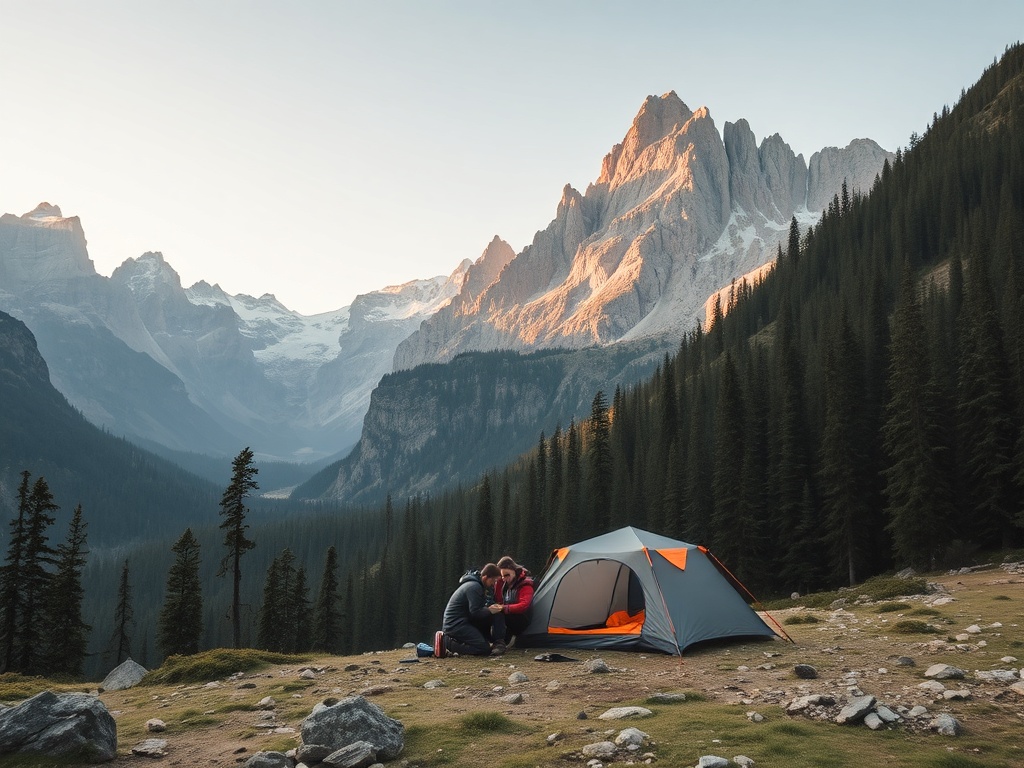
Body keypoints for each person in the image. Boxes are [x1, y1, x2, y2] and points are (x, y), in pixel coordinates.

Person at [434, 563, 501, 657]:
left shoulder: (476, 586)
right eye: (493, 580)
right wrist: (489, 610)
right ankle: (447, 643)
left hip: (462, 622)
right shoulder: (474, 587)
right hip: (455, 624)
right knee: (483, 649)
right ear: (486, 577)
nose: (494, 584)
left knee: (484, 645)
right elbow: (475, 612)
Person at [487, 555, 534, 655]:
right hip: (509, 618)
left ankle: (499, 644)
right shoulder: (504, 584)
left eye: (507, 575)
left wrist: (503, 608)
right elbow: (499, 599)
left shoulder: (525, 584)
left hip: (521, 620)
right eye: (502, 576)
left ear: (514, 570)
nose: (504, 578)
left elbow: (524, 605)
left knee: (498, 614)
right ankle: (496, 642)